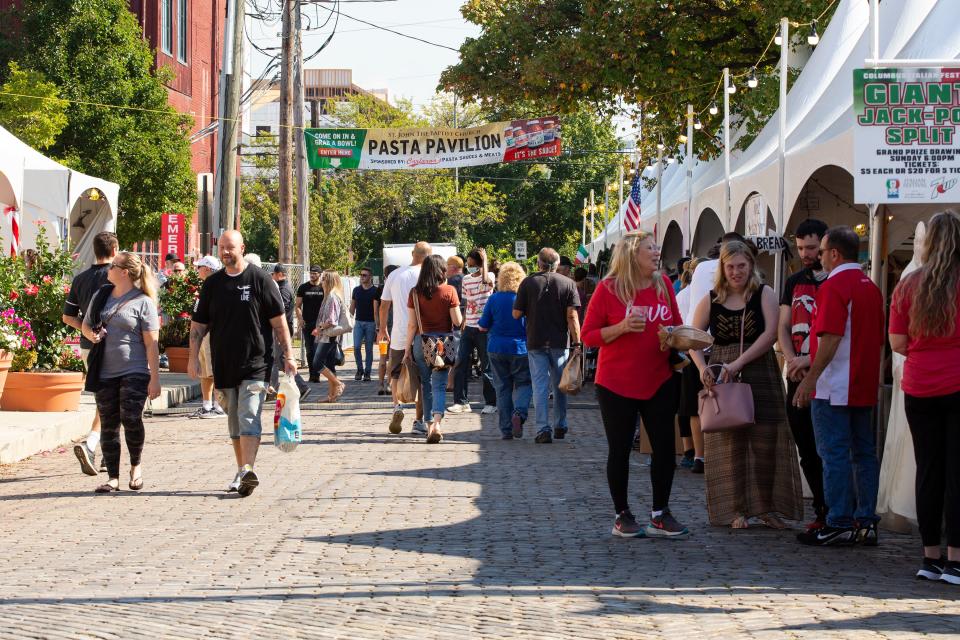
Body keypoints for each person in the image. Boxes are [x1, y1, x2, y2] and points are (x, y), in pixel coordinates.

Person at [689, 240, 803, 529]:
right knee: (729, 445)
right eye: (731, 267)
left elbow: (770, 335)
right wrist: (703, 367)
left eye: (742, 266)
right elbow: (693, 338)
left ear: (751, 266)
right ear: (722, 269)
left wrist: (739, 363)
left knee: (766, 441)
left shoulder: (763, 293)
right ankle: (735, 509)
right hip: (722, 374)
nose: (737, 272)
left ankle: (767, 507)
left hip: (759, 371)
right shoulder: (712, 299)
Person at [583, 232, 690, 538]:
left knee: (665, 449)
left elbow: (676, 323)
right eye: (650, 249)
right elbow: (588, 335)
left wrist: (678, 336)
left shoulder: (664, 284)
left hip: (659, 378)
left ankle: (660, 513)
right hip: (616, 383)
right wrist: (621, 327)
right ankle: (622, 515)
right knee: (620, 450)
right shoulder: (609, 289)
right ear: (632, 255)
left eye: (657, 248)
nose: (657, 253)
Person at [793, 226, 884, 546]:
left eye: (822, 251)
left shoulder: (835, 286)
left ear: (834, 253)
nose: (817, 257)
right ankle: (865, 518)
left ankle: (840, 519)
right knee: (863, 453)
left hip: (834, 384)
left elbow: (830, 337)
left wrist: (811, 378)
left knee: (833, 454)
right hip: (862, 381)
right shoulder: (870, 287)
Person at [188, 230, 294, 497]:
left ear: (242, 248)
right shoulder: (213, 285)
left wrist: (289, 356)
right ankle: (241, 471)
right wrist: (192, 359)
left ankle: (248, 469)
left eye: (230, 247)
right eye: (222, 247)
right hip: (224, 364)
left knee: (248, 416)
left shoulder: (260, 280)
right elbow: (199, 325)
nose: (225, 252)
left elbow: (279, 323)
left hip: (256, 363)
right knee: (234, 421)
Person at [889, 210, 960, 583]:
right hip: (957, 384)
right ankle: (956, 559)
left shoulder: (908, 285)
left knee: (928, 471)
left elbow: (898, 343)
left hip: (920, 387)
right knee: (957, 475)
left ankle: (930, 556)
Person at [81, 251, 162, 492]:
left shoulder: (143, 302)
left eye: (113, 266)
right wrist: (91, 335)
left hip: (135, 370)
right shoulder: (101, 295)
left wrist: (155, 379)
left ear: (124, 272)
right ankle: (113, 477)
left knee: (131, 418)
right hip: (104, 371)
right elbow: (86, 324)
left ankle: (136, 466)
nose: (108, 269)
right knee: (108, 423)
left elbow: (152, 344)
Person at [777, 218, 830, 531]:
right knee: (806, 449)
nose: (806, 253)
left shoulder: (835, 280)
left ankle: (836, 508)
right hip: (796, 374)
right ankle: (822, 508)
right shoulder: (794, 281)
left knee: (830, 448)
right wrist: (792, 358)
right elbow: (783, 325)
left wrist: (810, 359)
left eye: (811, 247)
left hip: (827, 375)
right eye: (800, 248)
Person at [63, 231, 119, 475]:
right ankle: (93, 445)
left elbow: (67, 316)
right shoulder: (118, 277)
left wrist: (86, 330)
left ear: (95, 251)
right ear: (115, 250)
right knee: (112, 400)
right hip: (115, 345)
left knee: (105, 398)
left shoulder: (81, 279)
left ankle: (105, 452)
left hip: (87, 346)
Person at [513, 247, 581, 443]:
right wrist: (577, 342)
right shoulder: (569, 284)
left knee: (540, 386)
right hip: (560, 341)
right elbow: (572, 316)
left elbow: (516, 314)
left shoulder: (528, 283)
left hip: (535, 340)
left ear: (538, 264)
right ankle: (561, 424)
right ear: (558, 264)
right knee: (561, 384)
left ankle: (543, 428)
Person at [405, 255, 462, 444]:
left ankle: (429, 425)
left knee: (425, 385)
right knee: (439, 385)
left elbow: (412, 325)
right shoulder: (449, 290)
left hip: (421, 342)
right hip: (443, 343)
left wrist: (407, 350)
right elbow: (457, 321)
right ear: (441, 271)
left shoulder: (414, 293)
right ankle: (437, 423)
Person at [378, 243, 431, 435]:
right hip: (423, 334)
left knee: (396, 372)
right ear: (429, 256)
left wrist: (382, 328)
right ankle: (418, 421)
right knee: (423, 377)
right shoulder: (429, 276)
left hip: (399, 332)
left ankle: (397, 406)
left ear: (412, 254)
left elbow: (384, 306)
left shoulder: (395, 275)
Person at [479, 261, 531, 440]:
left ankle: (506, 429)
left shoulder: (494, 298)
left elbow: (483, 325)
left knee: (502, 388)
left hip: (496, 347)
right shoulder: (524, 299)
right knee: (524, 384)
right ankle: (520, 413)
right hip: (520, 347)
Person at [450, 248, 497, 415]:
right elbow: (467, 300)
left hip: (484, 327)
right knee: (461, 362)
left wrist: (485, 260)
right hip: (468, 326)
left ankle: (491, 402)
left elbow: (486, 282)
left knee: (486, 365)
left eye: (471, 262)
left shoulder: (489, 276)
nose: (469, 265)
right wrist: (463, 320)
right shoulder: (466, 279)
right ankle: (461, 401)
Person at [674, 256, 704, 472]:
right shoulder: (699, 295)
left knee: (686, 406)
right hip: (695, 353)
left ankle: (689, 451)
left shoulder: (683, 294)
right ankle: (697, 454)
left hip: (684, 352)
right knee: (694, 406)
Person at [190, 255, 226, 418]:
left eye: (199, 267)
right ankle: (207, 405)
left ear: (207, 269)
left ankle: (219, 406)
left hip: (213, 333)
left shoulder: (219, 286)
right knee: (205, 371)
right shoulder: (206, 286)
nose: (197, 270)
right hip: (204, 334)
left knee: (216, 371)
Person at [271, 264, 311, 400]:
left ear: (279, 274)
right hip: (282, 328)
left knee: (282, 359)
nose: (272, 277)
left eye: (273, 274)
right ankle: (272, 390)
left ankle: (302, 387)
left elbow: (280, 309)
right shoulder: (283, 287)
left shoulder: (283, 289)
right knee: (276, 359)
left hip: (283, 329)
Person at [311, 270, 347, 402]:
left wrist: (319, 329)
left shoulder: (332, 296)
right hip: (329, 335)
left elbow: (332, 320)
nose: (322, 280)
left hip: (328, 335)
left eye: (324, 278)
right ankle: (331, 396)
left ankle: (338, 384)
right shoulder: (330, 295)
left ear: (330, 280)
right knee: (329, 365)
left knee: (317, 363)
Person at [296, 266, 325, 382]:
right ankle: (312, 374)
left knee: (318, 349)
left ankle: (317, 374)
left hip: (320, 324)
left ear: (320, 274)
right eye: (311, 273)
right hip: (307, 323)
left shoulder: (323, 287)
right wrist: (300, 319)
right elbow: (297, 306)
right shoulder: (303, 287)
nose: (312, 275)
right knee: (309, 350)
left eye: (315, 273)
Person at [351, 267, 379, 382]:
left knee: (369, 349)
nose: (362, 277)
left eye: (365, 275)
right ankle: (359, 369)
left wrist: (378, 326)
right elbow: (352, 307)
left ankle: (367, 372)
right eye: (361, 275)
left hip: (371, 323)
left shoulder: (375, 291)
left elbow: (376, 310)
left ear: (370, 277)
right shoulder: (356, 290)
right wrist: (347, 320)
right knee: (356, 347)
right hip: (358, 322)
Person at [376, 265, 398, 395]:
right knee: (391, 358)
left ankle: (380, 384)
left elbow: (377, 310)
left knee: (383, 358)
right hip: (394, 329)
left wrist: (378, 328)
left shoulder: (380, 289)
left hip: (383, 329)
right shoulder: (397, 288)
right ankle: (389, 384)